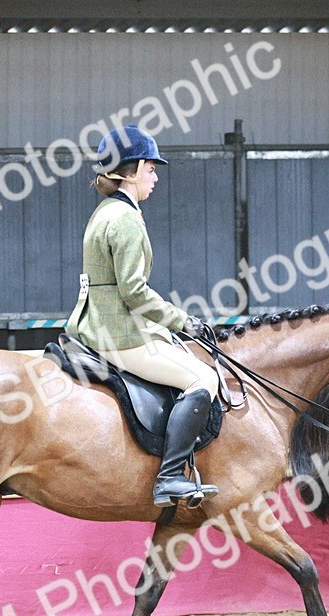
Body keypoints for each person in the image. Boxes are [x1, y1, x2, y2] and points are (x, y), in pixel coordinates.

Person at [64, 125, 220, 507]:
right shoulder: (126, 218)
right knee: (204, 377)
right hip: (118, 333)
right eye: (151, 168)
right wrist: (182, 322)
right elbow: (133, 291)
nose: (155, 176)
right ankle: (169, 478)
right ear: (131, 171)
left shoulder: (106, 211)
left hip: (95, 324)